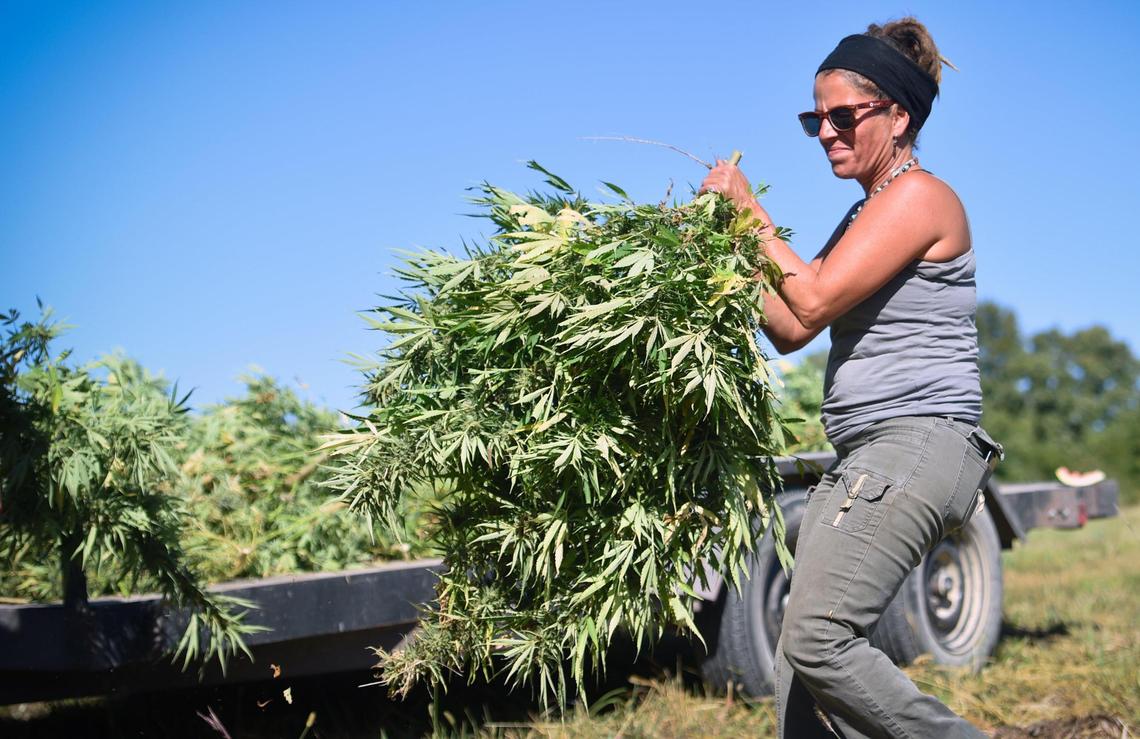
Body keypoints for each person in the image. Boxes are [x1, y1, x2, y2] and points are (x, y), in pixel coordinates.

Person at [700, 17, 1003, 739]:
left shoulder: (921, 198)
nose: (826, 133)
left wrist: (748, 211)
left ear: (898, 117)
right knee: (799, 666)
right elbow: (791, 326)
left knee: (818, 639)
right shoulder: (863, 215)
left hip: (916, 442)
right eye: (816, 120)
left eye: (842, 116)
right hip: (866, 451)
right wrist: (725, 249)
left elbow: (808, 297)